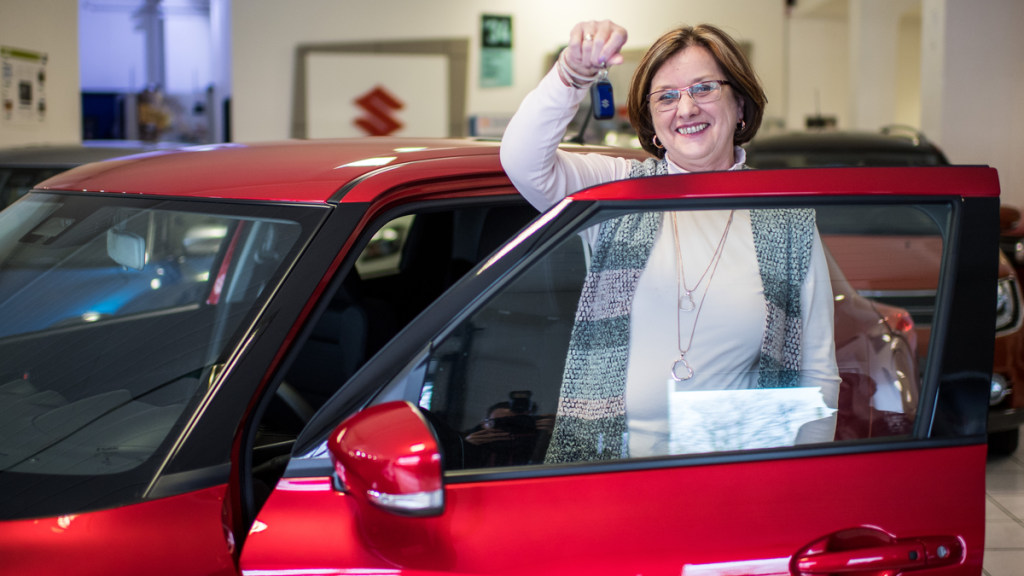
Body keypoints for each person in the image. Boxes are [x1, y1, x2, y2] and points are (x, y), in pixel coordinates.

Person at [500, 21, 840, 463]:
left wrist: (799, 483)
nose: (686, 108)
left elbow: (816, 371)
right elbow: (523, 162)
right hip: (608, 469)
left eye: (703, 88)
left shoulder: (787, 218)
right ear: (653, 123)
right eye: (666, 95)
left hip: (735, 477)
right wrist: (572, 73)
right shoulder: (618, 190)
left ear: (740, 104)